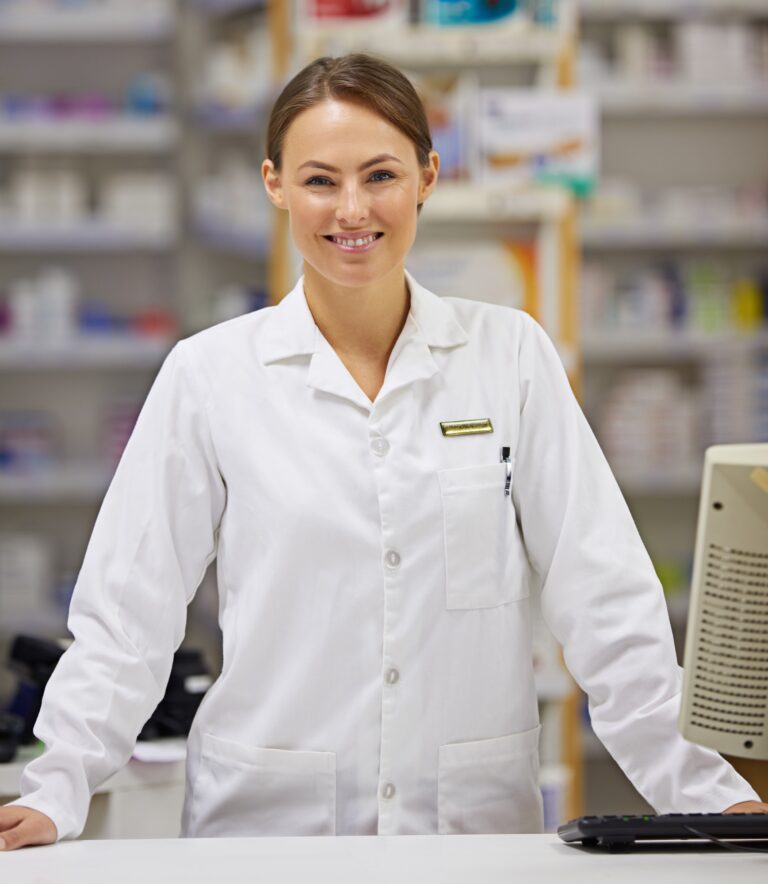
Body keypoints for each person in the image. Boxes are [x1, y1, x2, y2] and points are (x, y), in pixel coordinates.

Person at [0, 53, 765, 852]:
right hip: (266, 833)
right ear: (274, 184)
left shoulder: (508, 358)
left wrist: (707, 792)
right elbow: (128, 616)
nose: (352, 208)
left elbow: (606, 602)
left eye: (382, 174)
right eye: (320, 180)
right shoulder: (210, 376)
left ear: (429, 176)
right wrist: (58, 786)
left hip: (469, 833)